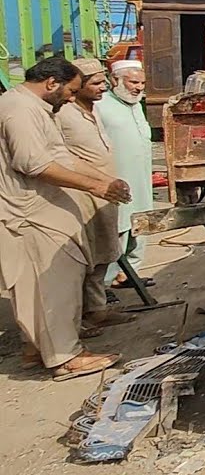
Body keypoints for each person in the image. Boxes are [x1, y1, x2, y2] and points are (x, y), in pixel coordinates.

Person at [0, 57, 130, 379]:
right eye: (70, 91)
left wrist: (105, 181)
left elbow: (60, 156)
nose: (72, 98)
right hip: (28, 214)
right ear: (51, 83)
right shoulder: (19, 110)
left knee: (47, 285)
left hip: (43, 210)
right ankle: (64, 358)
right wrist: (97, 186)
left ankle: (37, 349)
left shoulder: (37, 109)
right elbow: (35, 164)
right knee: (51, 285)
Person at [56, 58, 135, 330]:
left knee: (104, 251)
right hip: (81, 194)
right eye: (96, 83)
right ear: (77, 87)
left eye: (104, 81)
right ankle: (74, 320)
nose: (104, 88)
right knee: (83, 258)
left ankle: (97, 310)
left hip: (105, 192)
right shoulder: (63, 114)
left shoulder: (95, 110)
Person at [98, 60, 154, 289]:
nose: (138, 87)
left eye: (142, 83)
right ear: (115, 81)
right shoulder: (100, 105)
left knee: (139, 226)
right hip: (116, 178)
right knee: (117, 229)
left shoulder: (136, 104)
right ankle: (104, 283)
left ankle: (129, 274)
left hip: (140, 177)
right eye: (133, 82)